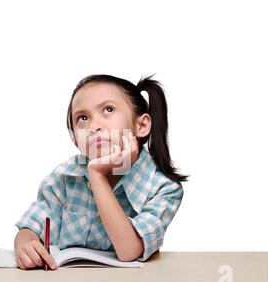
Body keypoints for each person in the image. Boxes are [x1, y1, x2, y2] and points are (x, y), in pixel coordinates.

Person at [14, 74, 189, 270]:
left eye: (108, 110)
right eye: (82, 118)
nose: (94, 126)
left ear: (141, 125)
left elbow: (129, 251)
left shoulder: (164, 189)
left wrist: (97, 175)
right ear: (76, 141)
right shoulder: (63, 177)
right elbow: (30, 227)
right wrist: (25, 246)